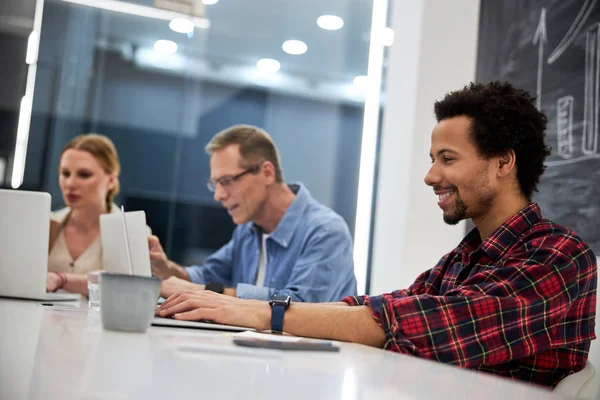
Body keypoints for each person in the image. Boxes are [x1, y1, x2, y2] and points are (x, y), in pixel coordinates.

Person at [156, 82, 597, 387]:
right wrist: (243, 306)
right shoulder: (463, 259)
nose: (430, 176)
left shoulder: (560, 255)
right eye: (432, 159)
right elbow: (376, 306)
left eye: (447, 158)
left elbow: (426, 323)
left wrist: (258, 312)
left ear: (503, 163)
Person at [149, 124, 357, 301]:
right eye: (215, 184)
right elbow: (204, 277)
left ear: (267, 172)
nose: (218, 195)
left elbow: (297, 307)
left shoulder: (326, 231)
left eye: (227, 181)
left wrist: (206, 294)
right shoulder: (247, 231)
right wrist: (165, 268)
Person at [46, 134, 121, 295]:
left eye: (84, 175)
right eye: (65, 173)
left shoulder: (129, 231)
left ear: (111, 180)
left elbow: (126, 286)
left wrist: (61, 279)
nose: (71, 183)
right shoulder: (45, 224)